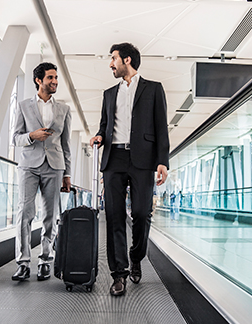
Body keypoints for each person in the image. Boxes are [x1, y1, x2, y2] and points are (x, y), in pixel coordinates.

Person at [89, 42, 169, 296]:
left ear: (127, 60)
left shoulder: (154, 89)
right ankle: (118, 274)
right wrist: (100, 136)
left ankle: (136, 256)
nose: (110, 64)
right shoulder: (108, 94)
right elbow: (105, 125)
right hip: (114, 160)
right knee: (113, 216)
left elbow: (161, 127)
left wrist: (162, 161)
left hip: (143, 160)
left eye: (113, 59)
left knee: (141, 213)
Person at [11, 62, 71, 282]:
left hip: (54, 166)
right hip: (28, 165)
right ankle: (23, 263)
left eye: (56, 78)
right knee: (25, 213)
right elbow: (15, 138)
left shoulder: (63, 109)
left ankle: (46, 260)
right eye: (50, 78)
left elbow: (66, 145)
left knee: (50, 216)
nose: (54, 81)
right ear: (39, 80)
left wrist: (68, 174)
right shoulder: (24, 106)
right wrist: (31, 136)